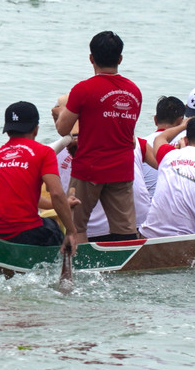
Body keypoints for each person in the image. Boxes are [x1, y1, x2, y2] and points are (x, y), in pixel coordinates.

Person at [55, 30, 143, 243]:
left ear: (91, 58)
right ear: (120, 59)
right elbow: (125, 132)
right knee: (125, 230)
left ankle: (81, 269)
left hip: (89, 168)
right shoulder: (135, 91)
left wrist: (59, 113)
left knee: (75, 226)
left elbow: (62, 129)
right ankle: (122, 270)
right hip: (122, 169)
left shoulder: (83, 89)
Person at [0, 101, 76, 250]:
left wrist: (58, 205)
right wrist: (71, 231)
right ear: (36, 129)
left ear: (8, 131)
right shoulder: (44, 152)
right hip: (23, 233)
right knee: (52, 227)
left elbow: (17, 195)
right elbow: (56, 193)